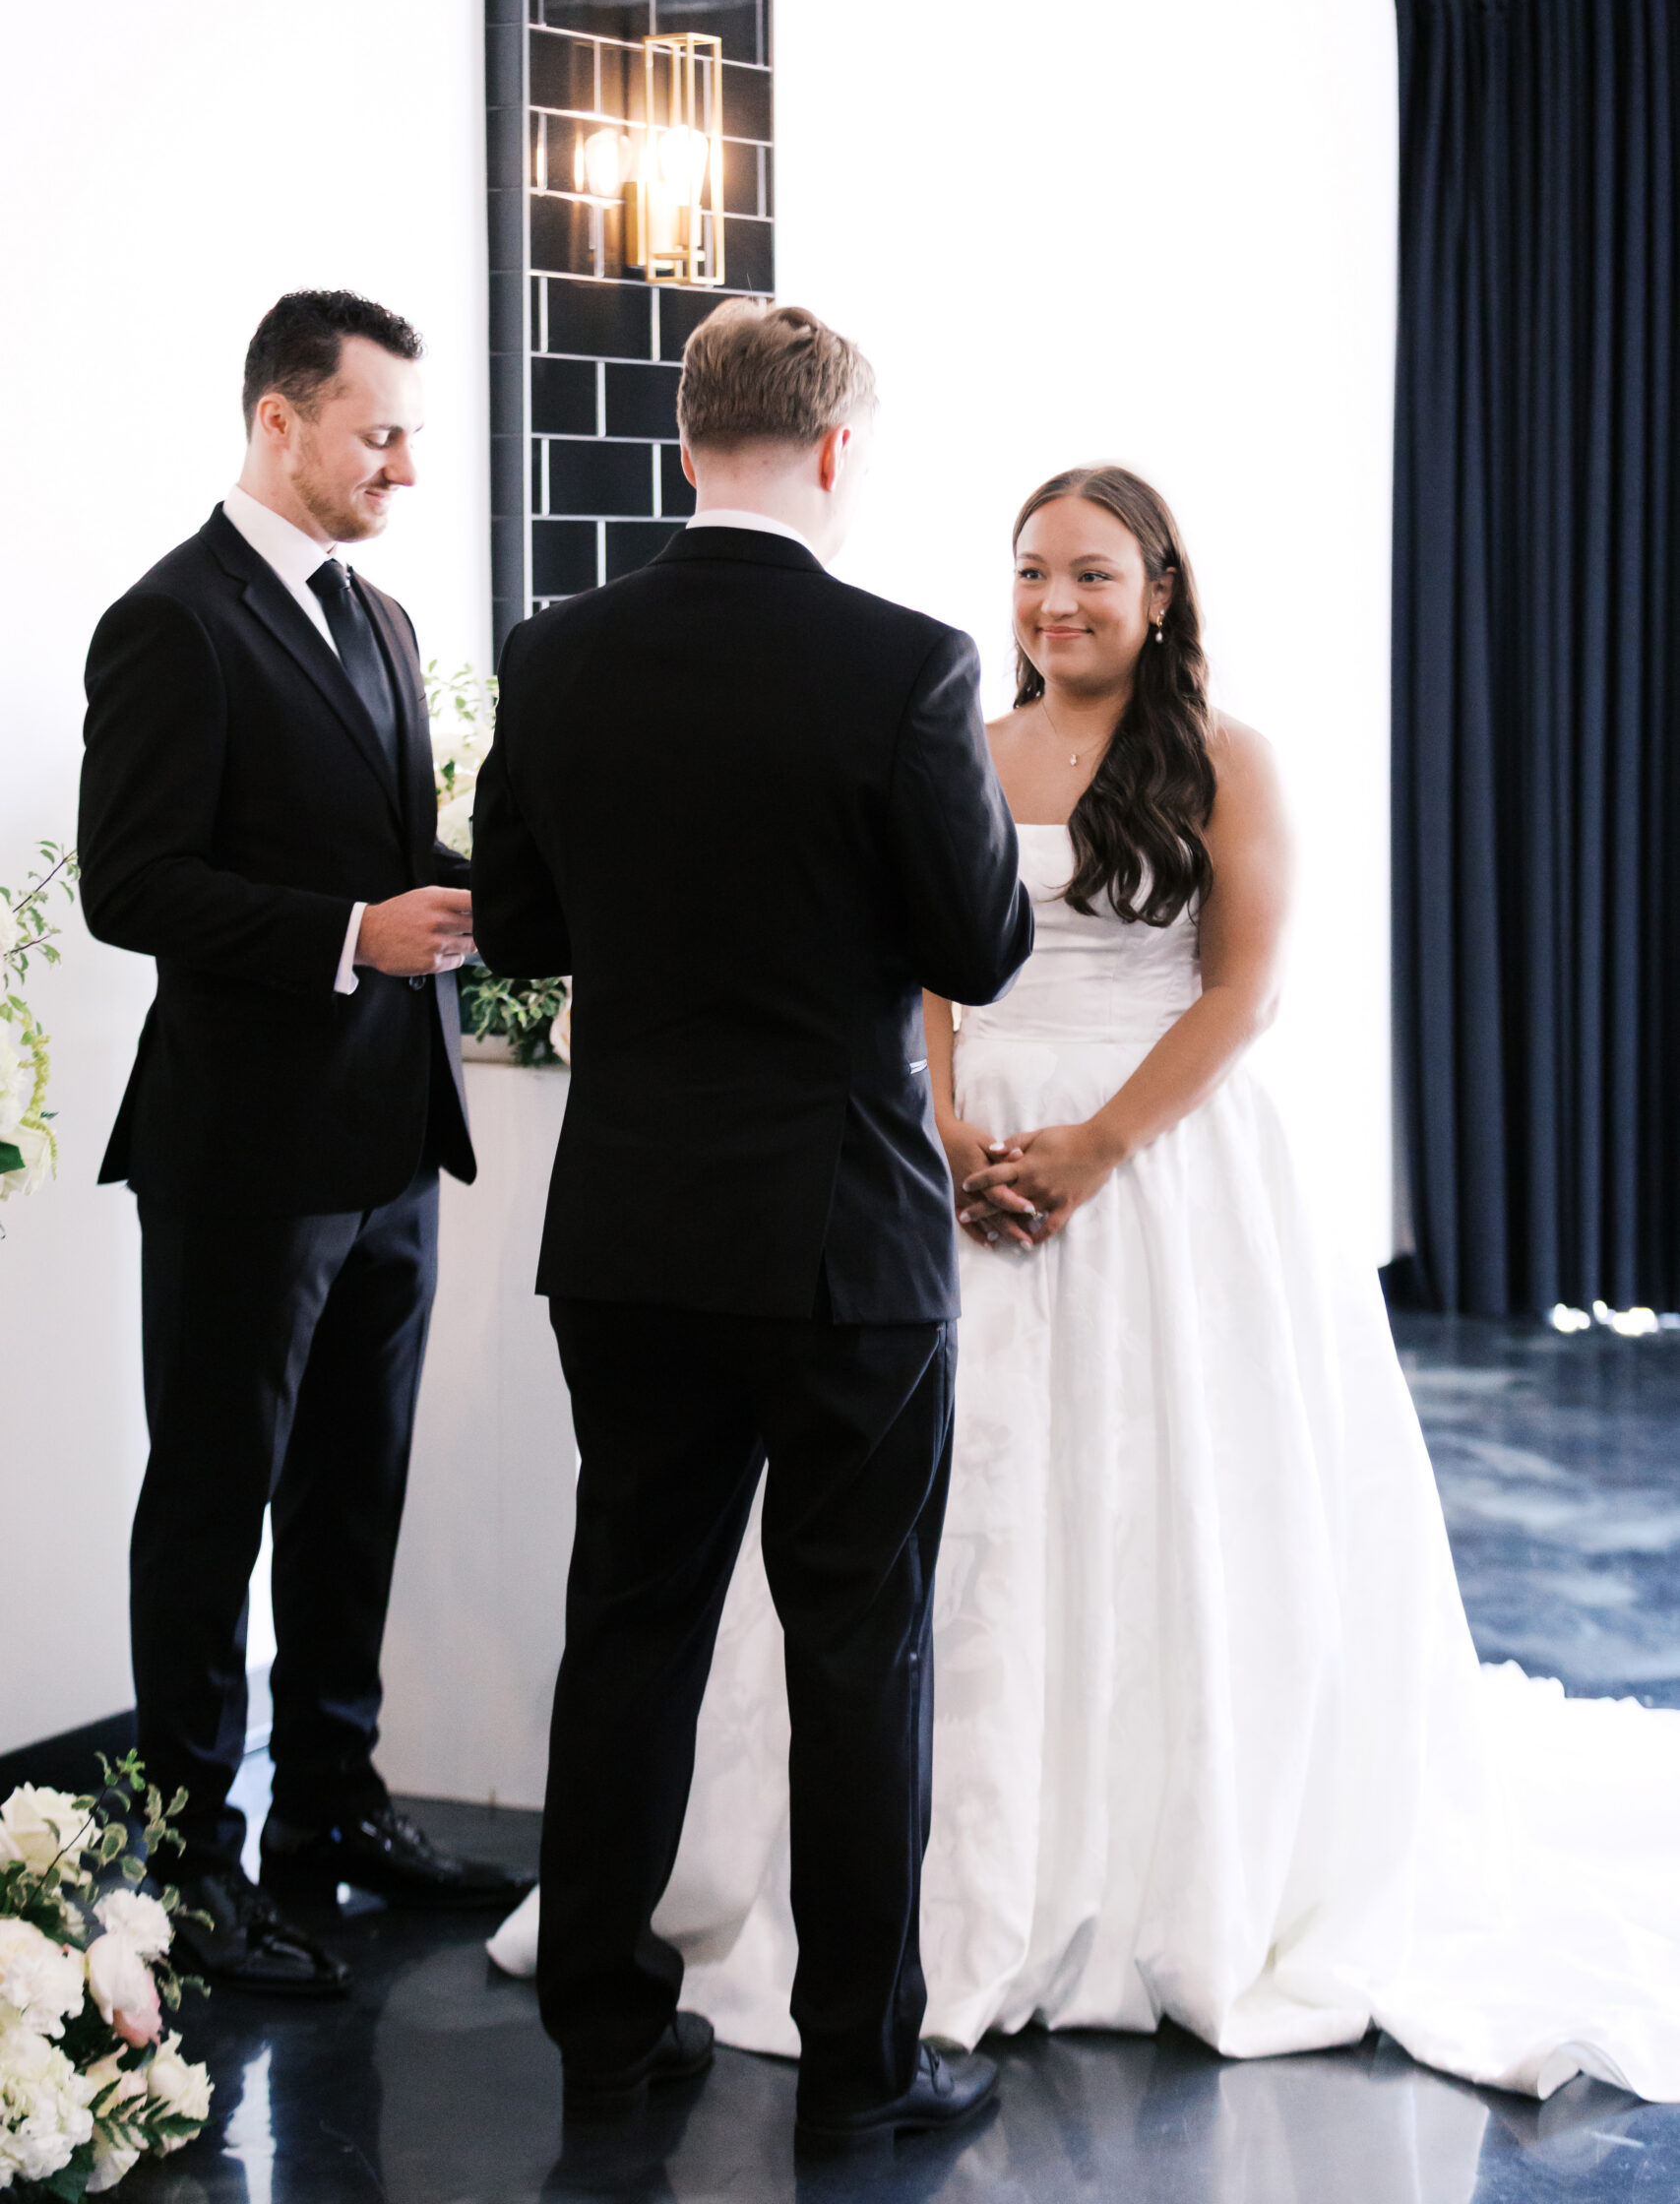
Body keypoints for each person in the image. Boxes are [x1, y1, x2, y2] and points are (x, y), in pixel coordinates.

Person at [526, 460, 1680, 2106]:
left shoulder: (1225, 760)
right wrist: (942, 1123)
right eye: (1030, 572)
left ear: (1160, 593)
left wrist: (1096, 1148)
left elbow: (1243, 991)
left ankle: (1148, 1877)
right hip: (951, 1165)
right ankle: (925, 1908)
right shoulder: (961, 733)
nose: (1053, 603)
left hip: (1155, 1163)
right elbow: (917, 959)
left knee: (1153, 1507)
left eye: (1088, 575)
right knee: (943, 1558)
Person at [468, 300, 1033, 2144]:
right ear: (839, 449)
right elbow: (978, 945)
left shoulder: (557, 654)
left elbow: (520, 929)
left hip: (632, 1230)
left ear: (684, 439)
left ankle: (606, 2034)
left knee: (630, 1625)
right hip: (843, 1241)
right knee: (857, 1649)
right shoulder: (909, 664)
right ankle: (862, 2070)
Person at [79, 289, 530, 1997]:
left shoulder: (383, 619)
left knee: (354, 1497)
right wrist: (350, 931)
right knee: (213, 1505)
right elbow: (134, 884)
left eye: (409, 435)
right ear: (280, 421)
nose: (404, 467)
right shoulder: (171, 622)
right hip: (244, 1151)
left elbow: (389, 848)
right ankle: (191, 1864)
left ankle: (330, 1813)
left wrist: (517, 897)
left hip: (392, 1137)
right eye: (379, 434)